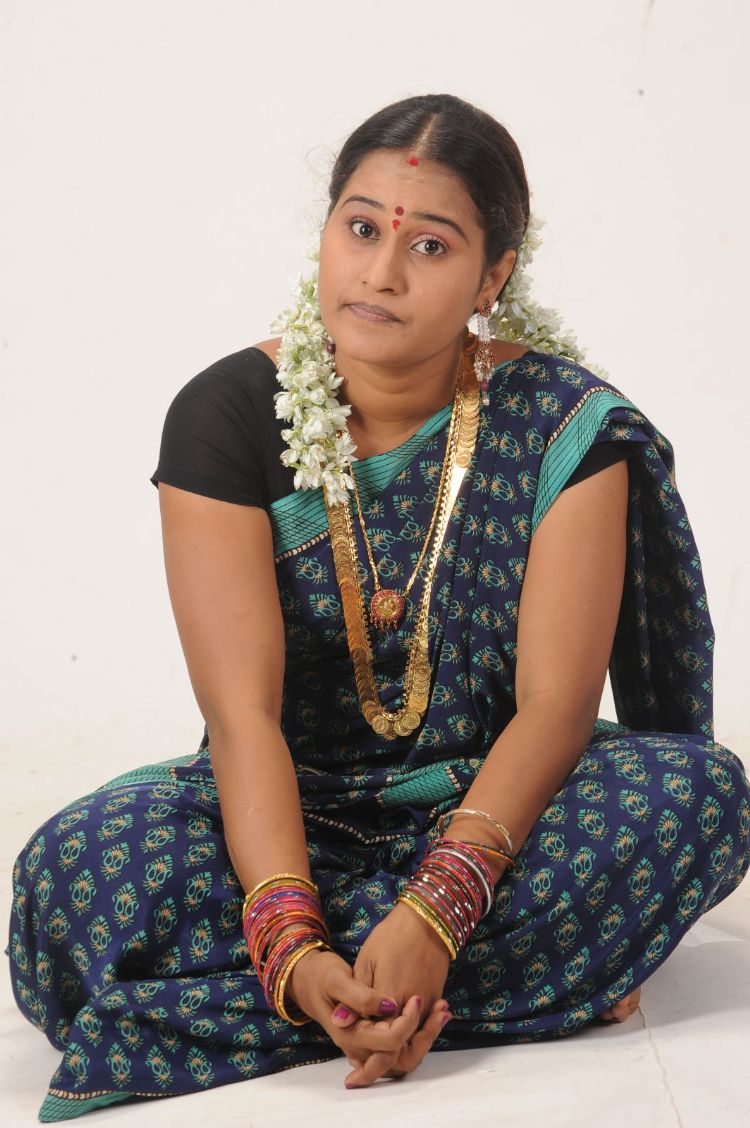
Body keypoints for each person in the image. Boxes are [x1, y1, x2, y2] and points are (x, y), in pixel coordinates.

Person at [8, 93, 750, 1122]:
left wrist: (439, 909)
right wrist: (291, 941)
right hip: (285, 810)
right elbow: (242, 718)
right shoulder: (227, 415)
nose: (382, 272)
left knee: (700, 796)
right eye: (361, 229)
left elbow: (555, 711)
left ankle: (347, 989)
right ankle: (515, 982)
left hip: (496, 802)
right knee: (67, 881)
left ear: (493, 276)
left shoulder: (563, 425)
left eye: (430, 245)